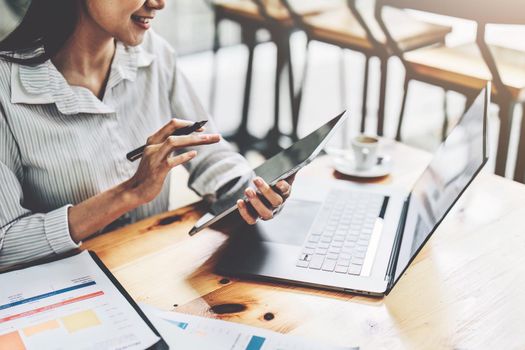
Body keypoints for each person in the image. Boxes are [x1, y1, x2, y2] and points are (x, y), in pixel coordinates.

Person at [0, 0, 294, 269]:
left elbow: (209, 151)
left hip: (147, 270)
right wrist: (128, 193)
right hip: (56, 299)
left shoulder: (154, 52)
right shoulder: (5, 86)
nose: (159, 3)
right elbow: (5, 243)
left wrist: (251, 190)